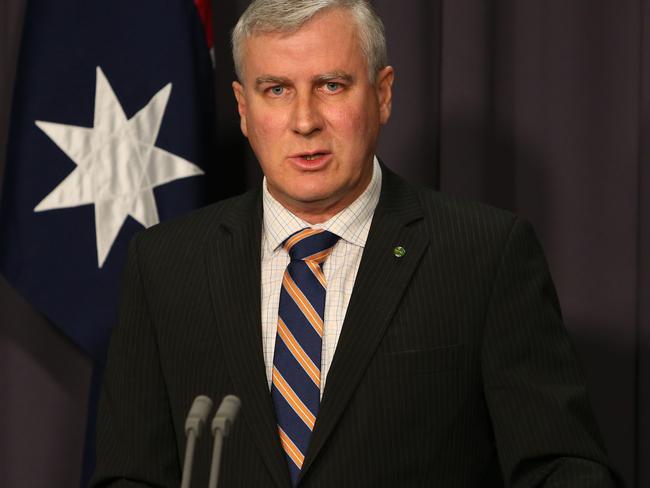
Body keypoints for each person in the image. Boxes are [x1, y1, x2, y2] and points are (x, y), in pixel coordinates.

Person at [91, 1, 620, 486]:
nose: (304, 121)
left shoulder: (484, 253)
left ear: (383, 93)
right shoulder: (164, 263)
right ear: (243, 107)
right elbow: (129, 475)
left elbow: (560, 466)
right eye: (276, 89)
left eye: (331, 86)